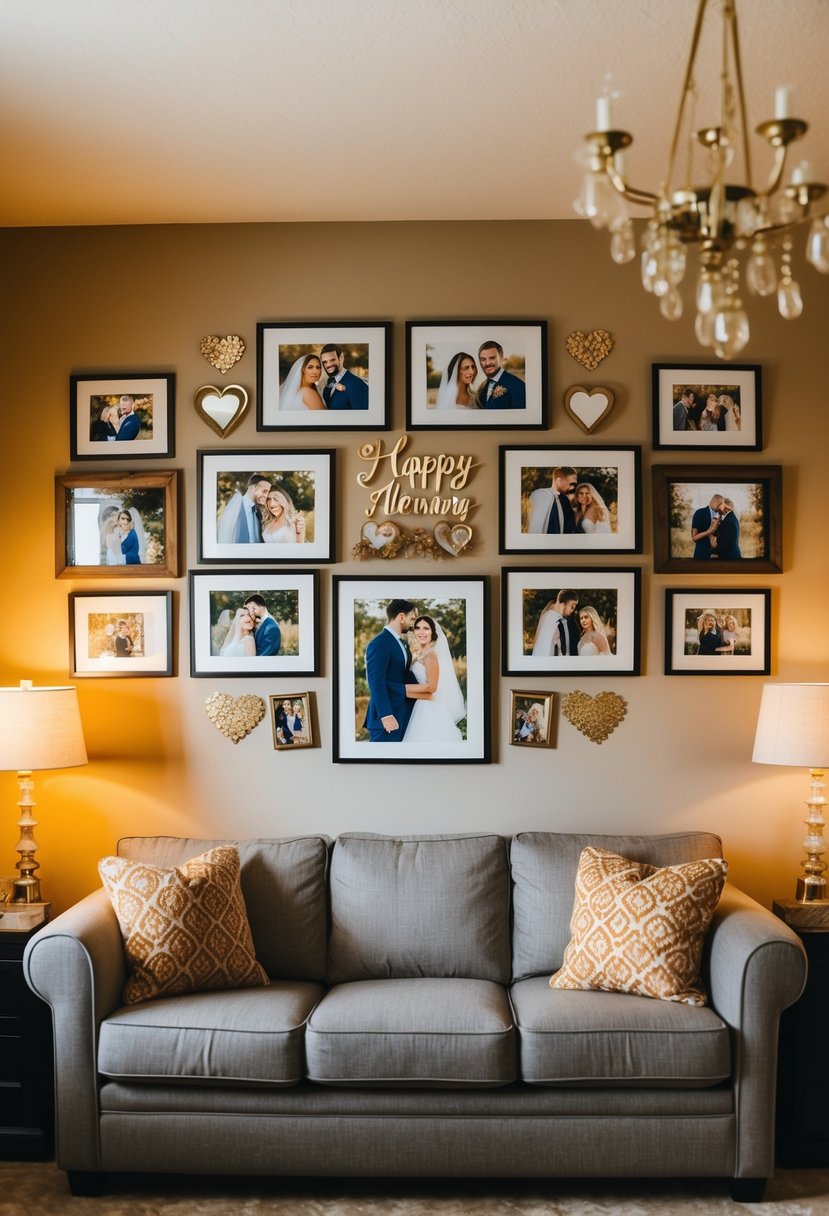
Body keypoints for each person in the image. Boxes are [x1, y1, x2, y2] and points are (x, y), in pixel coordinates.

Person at [402, 615, 466, 743]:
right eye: (418, 628)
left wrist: (401, 689)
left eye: (426, 628)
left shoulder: (430, 655)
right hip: (421, 704)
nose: (421, 632)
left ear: (433, 633)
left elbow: (432, 687)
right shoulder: (421, 654)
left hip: (429, 709)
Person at [363, 599, 418, 742]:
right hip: (387, 719)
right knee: (380, 762)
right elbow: (376, 681)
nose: (413, 623)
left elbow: (403, 675)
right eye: (411, 618)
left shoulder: (403, 644)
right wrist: (386, 715)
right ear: (401, 617)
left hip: (403, 712)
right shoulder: (379, 643)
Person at [217, 475, 271, 544]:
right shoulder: (235, 507)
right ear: (254, 488)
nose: (266, 496)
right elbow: (226, 539)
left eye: (268, 493)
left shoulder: (259, 513)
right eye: (264, 491)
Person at [476, 340, 526, 410]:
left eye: (492, 358)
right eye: (483, 359)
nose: (487, 363)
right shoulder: (481, 388)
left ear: (501, 358)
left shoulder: (518, 385)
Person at [527, 467, 578, 534]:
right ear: (559, 481)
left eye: (575, 484)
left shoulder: (565, 500)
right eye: (571, 484)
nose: (573, 487)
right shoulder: (540, 496)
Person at [320, 344, 369, 410]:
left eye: (332, 360)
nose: (329, 364)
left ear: (341, 358)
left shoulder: (357, 384)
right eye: (325, 362)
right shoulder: (328, 383)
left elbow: (364, 417)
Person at [531, 590, 579, 656]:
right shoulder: (560, 622)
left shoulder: (546, 615)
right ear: (563, 604)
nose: (573, 610)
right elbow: (564, 652)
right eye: (572, 606)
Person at [691, 493, 723, 559]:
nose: (722, 507)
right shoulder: (699, 513)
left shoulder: (721, 516)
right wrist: (708, 532)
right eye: (720, 504)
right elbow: (694, 538)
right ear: (716, 503)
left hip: (716, 555)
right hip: (701, 554)